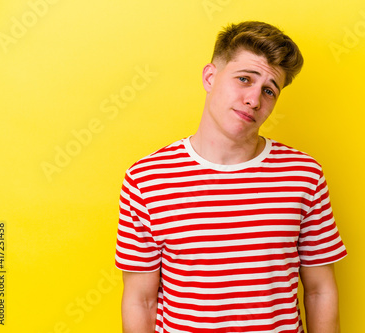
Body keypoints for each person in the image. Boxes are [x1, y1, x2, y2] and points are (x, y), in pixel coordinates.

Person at [115, 21, 347, 333]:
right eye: (244, 79)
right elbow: (140, 300)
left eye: (269, 90)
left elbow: (320, 290)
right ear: (210, 77)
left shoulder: (303, 175)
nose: (254, 99)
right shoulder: (146, 179)